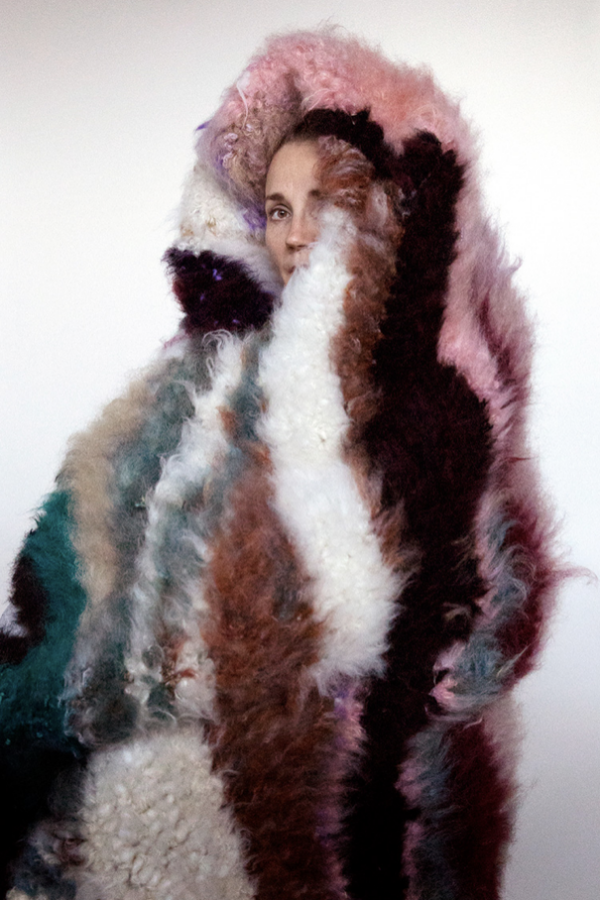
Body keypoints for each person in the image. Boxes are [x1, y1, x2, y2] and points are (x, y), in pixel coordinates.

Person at [0, 28, 558, 900]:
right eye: (276, 208)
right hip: (165, 793)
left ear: (382, 205)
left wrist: (201, 643)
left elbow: (446, 613)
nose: (296, 234)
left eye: (322, 201)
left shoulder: (445, 403)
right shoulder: (203, 380)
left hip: (330, 799)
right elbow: (83, 552)